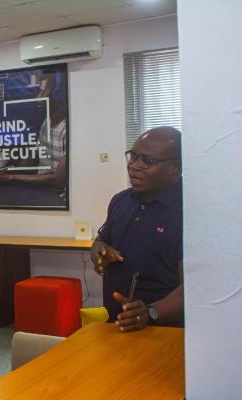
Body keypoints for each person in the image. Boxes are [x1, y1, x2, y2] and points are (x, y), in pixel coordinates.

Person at [91, 126, 183, 332]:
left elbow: (195, 288)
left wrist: (150, 313)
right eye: (133, 157)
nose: (133, 166)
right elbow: (100, 241)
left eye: (147, 161)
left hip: (165, 331)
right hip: (116, 325)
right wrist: (99, 252)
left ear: (175, 167)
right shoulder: (120, 201)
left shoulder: (190, 212)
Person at [0, 72, 67, 189]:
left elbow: (59, 179)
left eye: (43, 92)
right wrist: (5, 173)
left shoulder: (66, 129)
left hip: (56, 195)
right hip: (42, 191)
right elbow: (34, 156)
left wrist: (12, 177)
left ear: (57, 93)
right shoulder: (46, 122)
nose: (38, 98)